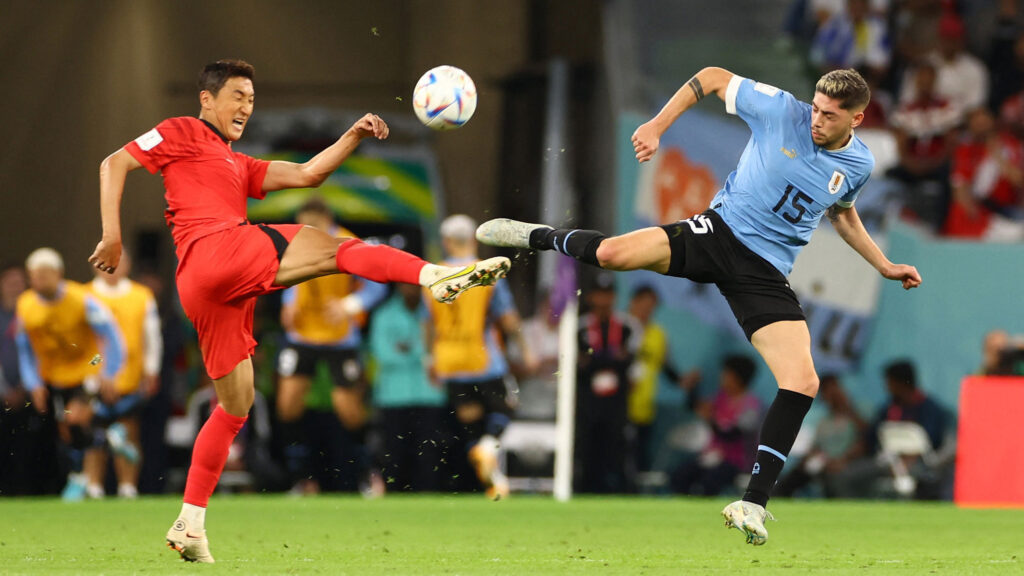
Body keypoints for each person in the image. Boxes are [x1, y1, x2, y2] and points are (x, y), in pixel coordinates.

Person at [87, 59, 510, 563]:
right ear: (206, 99)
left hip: (205, 288)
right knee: (335, 249)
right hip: (218, 252)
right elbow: (114, 162)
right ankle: (432, 275)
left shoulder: (237, 164)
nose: (246, 106)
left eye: (251, 98)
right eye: (238, 95)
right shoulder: (182, 131)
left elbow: (310, 173)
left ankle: (191, 521)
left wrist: (352, 135)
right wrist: (112, 235)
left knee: (235, 407)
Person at [477, 67, 921, 545]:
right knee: (612, 255)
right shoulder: (780, 110)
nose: (816, 119)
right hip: (719, 234)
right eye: (815, 108)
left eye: (829, 116)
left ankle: (752, 503)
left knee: (803, 380)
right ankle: (533, 235)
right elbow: (711, 77)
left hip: (764, 272)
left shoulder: (858, 165)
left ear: (856, 118)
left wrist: (883, 264)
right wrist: (656, 126)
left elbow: (844, 214)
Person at [275, 198, 387, 495]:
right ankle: (302, 478)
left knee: (348, 410)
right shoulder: (297, 241)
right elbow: (289, 278)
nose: (307, 231)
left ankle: (367, 471)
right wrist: (288, 304)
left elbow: (378, 283)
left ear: (328, 221)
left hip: (340, 336)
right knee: (287, 405)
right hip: (303, 335)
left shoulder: (348, 242)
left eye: (314, 226)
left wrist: (350, 305)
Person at [423, 214, 532, 501]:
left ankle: (494, 481)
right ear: (473, 238)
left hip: (448, 359)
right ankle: (488, 448)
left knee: (471, 420)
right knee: (506, 407)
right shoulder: (487, 272)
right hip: (481, 358)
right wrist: (525, 348)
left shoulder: (433, 273)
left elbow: (427, 323)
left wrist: (429, 358)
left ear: (446, 241)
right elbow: (507, 318)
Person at [15, 248, 126, 500]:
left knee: (75, 420)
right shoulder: (26, 305)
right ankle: (108, 437)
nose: (39, 280)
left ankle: (78, 477)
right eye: (35, 275)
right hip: (54, 375)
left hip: (89, 365)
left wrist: (109, 372)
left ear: (58, 273)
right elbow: (25, 349)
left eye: (45, 274)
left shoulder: (82, 299)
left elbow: (112, 337)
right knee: (68, 431)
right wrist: (33, 383)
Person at [86, 250, 162, 499]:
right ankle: (93, 486)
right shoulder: (85, 295)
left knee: (128, 431)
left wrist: (151, 369)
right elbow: (82, 341)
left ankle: (128, 486)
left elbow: (151, 336)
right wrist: (94, 373)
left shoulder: (141, 295)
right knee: (93, 432)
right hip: (95, 371)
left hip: (130, 373)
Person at [369, 282, 447, 492]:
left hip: (429, 395)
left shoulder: (436, 311)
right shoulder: (384, 314)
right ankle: (393, 501)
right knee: (394, 456)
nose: (411, 290)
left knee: (429, 457)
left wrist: (406, 347)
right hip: (394, 396)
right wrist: (422, 352)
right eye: (406, 285)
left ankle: (428, 503)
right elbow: (383, 353)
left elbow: (445, 350)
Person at [574, 274, 640, 493]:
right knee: (588, 447)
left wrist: (595, 361)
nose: (603, 300)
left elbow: (631, 361)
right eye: (599, 294)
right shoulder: (580, 327)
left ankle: (621, 491)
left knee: (617, 447)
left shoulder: (627, 326)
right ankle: (585, 490)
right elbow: (577, 364)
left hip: (617, 400)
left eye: (608, 294)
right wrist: (611, 359)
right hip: (588, 400)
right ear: (592, 297)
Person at [672, 355, 762, 497]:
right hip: (712, 457)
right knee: (680, 476)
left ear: (737, 378)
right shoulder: (720, 398)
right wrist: (692, 388)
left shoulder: (750, 406)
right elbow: (695, 407)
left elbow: (731, 434)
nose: (722, 377)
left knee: (709, 483)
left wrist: (710, 420)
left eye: (726, 374)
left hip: (736, 462)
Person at [774, 374, 865, 498]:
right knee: (799, 472)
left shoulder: (854, 416)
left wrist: (842, 460)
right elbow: (816, 445)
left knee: (835, 477)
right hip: (824, 461)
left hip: (846, 463)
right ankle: (776, 497)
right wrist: (813, 456)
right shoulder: (824, 420)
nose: (831, 395)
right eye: (827, 392)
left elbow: (863, 440)